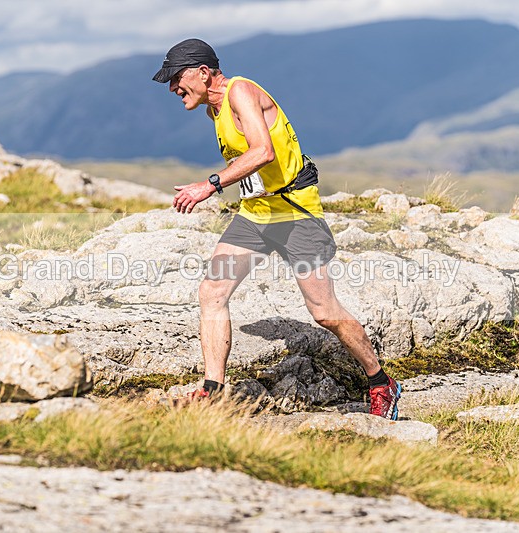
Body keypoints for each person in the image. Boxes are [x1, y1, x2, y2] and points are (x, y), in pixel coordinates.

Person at [152, 38, 401, 419]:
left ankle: (381, 381)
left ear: (203, 72)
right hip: (256, 215)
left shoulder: (242, 92)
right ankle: (212, 390)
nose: (172, 88)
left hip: (296, 214)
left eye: (176, 78)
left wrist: (210, 185)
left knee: (324, 312)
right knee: (212, 291)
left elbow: (263, 152)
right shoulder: (213, 110)